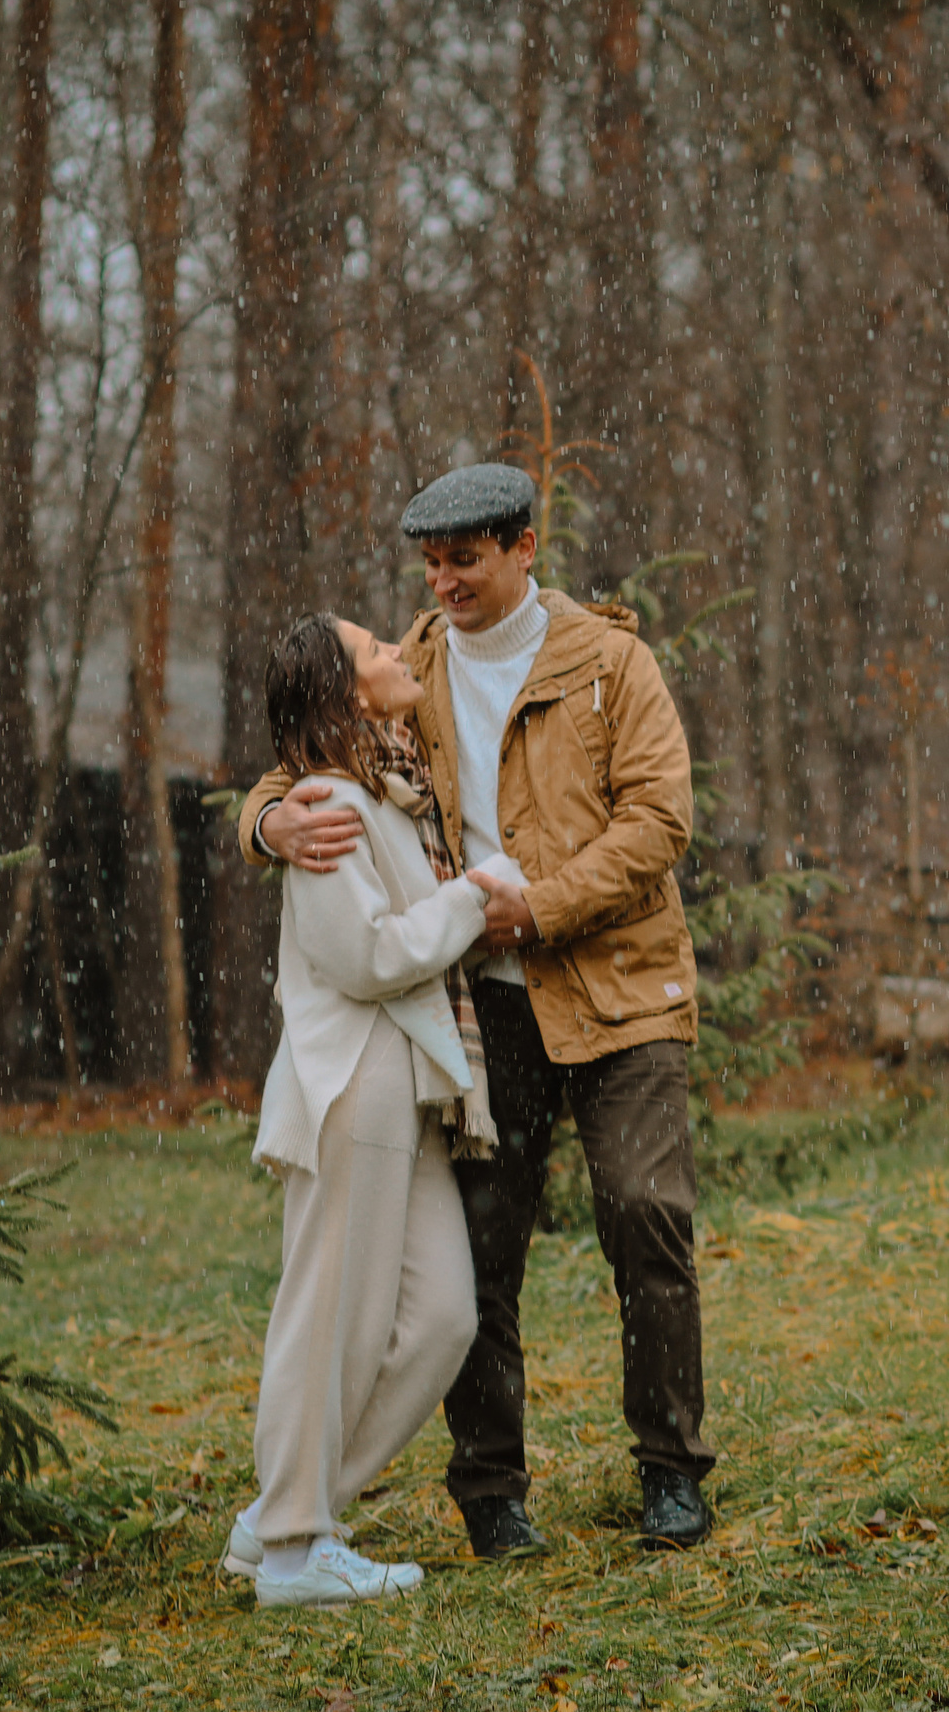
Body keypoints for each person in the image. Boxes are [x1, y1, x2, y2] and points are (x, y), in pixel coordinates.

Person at [238, 463, 716, 1559]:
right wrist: (269, 826)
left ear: (523, 547)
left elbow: (659, 820)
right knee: (483, 1247)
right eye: (431, 563)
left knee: (645, 1214)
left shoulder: (613, 664)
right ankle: (492, 1492)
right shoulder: (412, 665)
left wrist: (540, 907)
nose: (444, 581)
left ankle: (670, 1469)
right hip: (486, 1008)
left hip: (620, 990)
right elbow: (298, 760)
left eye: (465, 559)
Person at [237, 612, 510, 1609]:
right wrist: (475, 897)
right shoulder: (328, 802)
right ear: (346, 693)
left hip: (415, 1079)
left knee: (441, 1317)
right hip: (353, 1075)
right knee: (330, 1316)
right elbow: (368, 956)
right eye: (374, 652)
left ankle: (282, 1518)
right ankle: (294, 1548)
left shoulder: (387, 784)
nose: (397, 652)